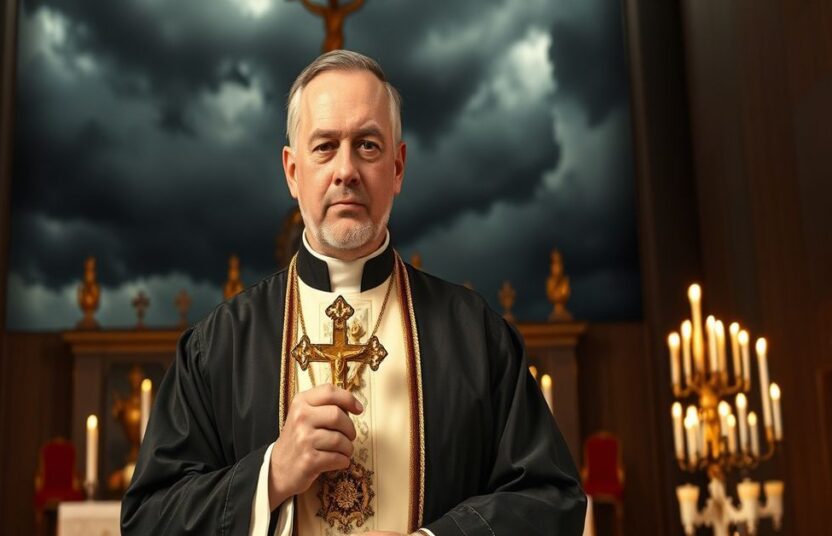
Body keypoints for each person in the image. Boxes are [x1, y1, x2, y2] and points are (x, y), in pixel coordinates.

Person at [121, 50, 586, 536]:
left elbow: (551, 499)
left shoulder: (474, 335)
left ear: (398, 167)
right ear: (292, 172)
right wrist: (271, 475)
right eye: (325, 147)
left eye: (367, 145)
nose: (347, 170)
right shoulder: (219, 346)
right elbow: (149, 519)